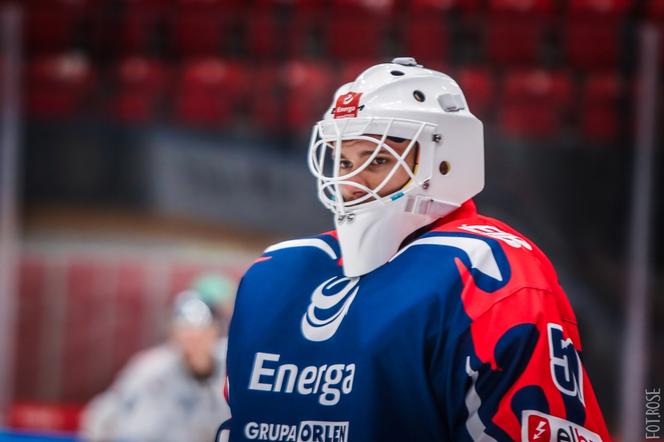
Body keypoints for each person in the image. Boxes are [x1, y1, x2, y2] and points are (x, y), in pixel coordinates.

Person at [221, 58, 610, 441]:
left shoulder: (486, 270)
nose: (350, 181)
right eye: (343, 160)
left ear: (446, 161)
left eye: (378, 160)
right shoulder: (274, 273)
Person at [81, 274, 235, 442]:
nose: (195, 339)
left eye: (203, 331)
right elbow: (103, 414)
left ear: (216, 331)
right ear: (173, 334)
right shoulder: (150, 369)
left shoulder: (232, 366)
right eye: (187, 332)